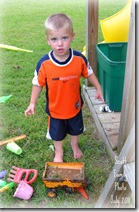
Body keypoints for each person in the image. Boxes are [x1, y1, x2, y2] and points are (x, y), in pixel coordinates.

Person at [25, 13, 104, 162]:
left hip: (74, 108)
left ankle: (75, 146)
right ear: (48, 40)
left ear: (72, 36)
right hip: (55, 111)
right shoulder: (44, 63)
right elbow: (37, 83)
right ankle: (59, 152)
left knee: (76, 131)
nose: (60, 44)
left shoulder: (79, 59)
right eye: (54, 39)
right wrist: (32, 103)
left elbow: (89, 73)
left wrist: (98, 88)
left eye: (64, 38)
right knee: (57, 134)